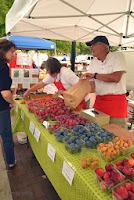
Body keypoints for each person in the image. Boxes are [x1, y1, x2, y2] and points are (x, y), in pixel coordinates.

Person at [80, 36, 127, 128]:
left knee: (117, 134)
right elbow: (92, 85)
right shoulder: (93, 62)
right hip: (100, 103)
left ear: (103, 46)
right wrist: (78, 89)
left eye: (93, 45)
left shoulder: (117, 56)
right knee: (99, 132)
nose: (91, 48)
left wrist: (94, 75)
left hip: (116, 104)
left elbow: (116, 78)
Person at [23, 57, 90, 108]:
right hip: (71, 100)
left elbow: (81, 86)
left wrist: (65, 92)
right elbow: (41, 84)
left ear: (52, 69)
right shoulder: (53, 75)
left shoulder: (67, 74)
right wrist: (28, 91)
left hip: (82, 100)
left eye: (47, 70)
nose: (46, 72)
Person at [0, 39, 16, 170]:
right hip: (1, 108)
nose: (13, 55)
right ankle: (11, 161)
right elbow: (5, 94)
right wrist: (13, 102)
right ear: (3, 51)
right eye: (11, 52)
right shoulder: (3, 66)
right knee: (6, 135)